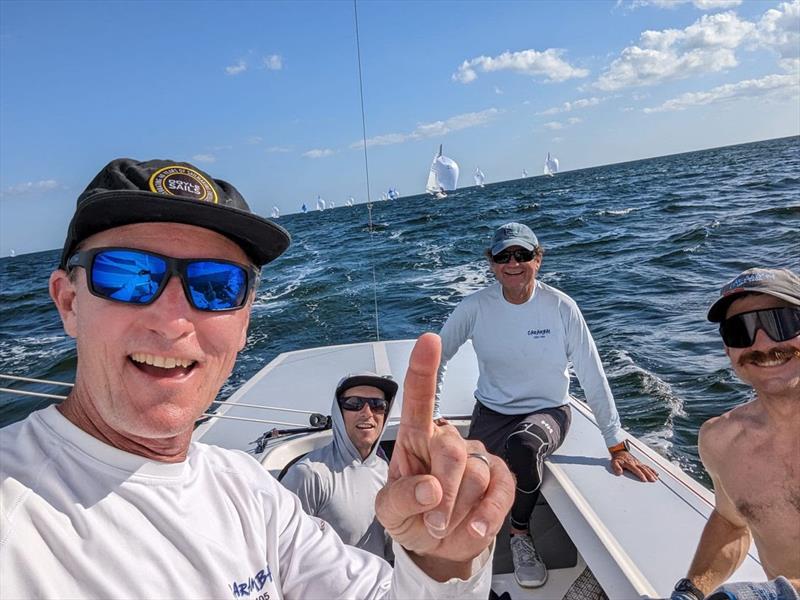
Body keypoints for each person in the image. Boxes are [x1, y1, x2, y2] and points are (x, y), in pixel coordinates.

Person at [0, 158, 515, 599]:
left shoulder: (250, 491)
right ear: (68, 302)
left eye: (217, 285)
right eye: (129, 274)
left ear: (244, 322)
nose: (174, 319)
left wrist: (441, 561)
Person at [434, 222, 658, 588]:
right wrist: (432, 417)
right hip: (491, 412)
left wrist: (615, 443)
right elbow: (437, 357)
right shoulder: (475, 308)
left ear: (538, 259)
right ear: (491, 262)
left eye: (522, 254)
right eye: (503, 255)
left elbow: (592, 373)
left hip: (548, 411)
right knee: (462, 483)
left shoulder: (560, 307)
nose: (513, 263)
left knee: (523, 447)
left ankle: (519, 534)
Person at [670, 267, 799, 600]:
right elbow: (731, 522)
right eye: (739, 331)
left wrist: (777, 594)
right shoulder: (721, 441)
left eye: (780, 322)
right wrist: (692, 590)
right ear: (729, 350)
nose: (762, 343)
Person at [281, 372, 397, 560]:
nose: (367, 413)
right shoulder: (309, 475)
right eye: (354, 403)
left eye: (378, 405)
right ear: (338, 412)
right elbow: (283, 552)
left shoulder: (388, 472)